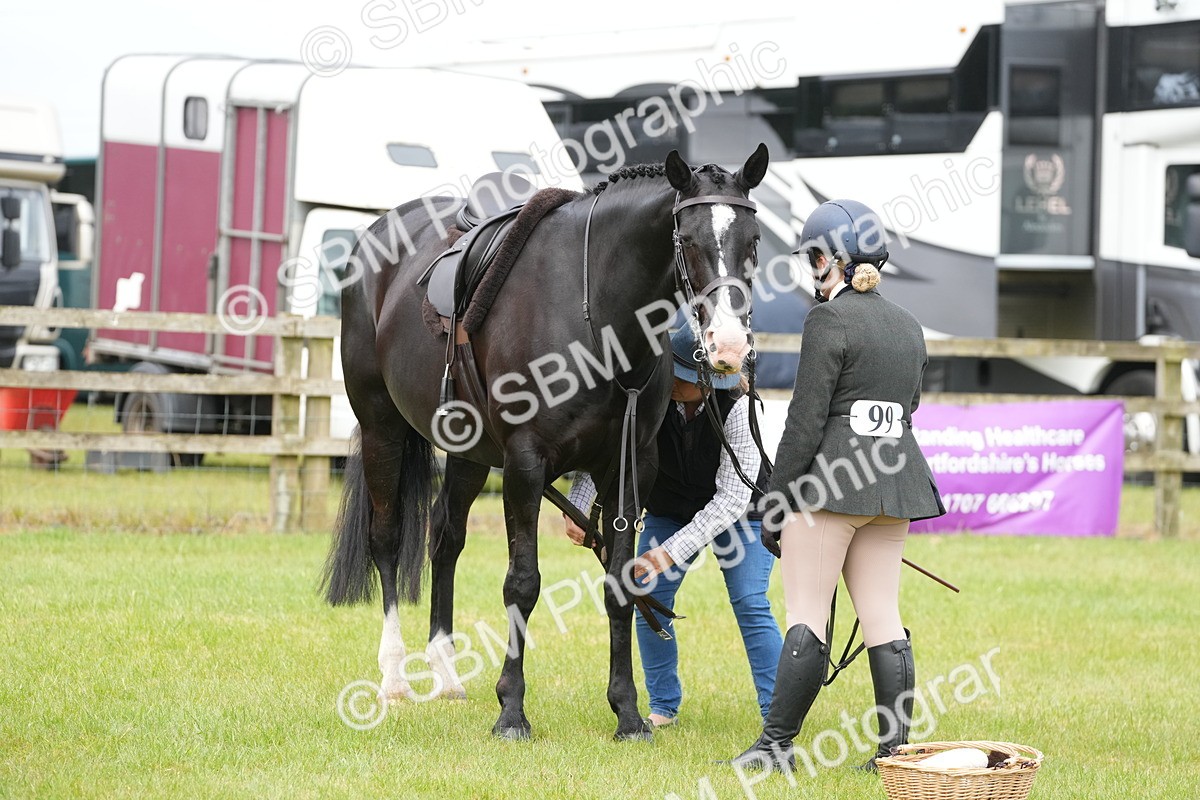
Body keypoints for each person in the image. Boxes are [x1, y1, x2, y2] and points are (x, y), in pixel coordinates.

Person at [730, 199, 946, 772]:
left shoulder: (828, 320)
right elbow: (909, 408)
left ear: (829, 259)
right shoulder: (908, 325)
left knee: (806, 613)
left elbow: (804, 423)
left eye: (812, 259)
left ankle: (776, 746)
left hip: (827, 491)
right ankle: (893, 753)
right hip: (892, 489)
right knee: (882, 615)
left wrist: (775, 502)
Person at [564, 326, 782, 728]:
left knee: (751, 602)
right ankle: (664, 705)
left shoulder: (741, 407)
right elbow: (612, 447)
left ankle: (779, 715)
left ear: (707, 380)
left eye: (679, 374)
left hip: (741, 511)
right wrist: (579, 504)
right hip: (669, 507)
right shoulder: (649, 399)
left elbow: (730, 500)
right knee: (646, 596)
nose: (670, 379)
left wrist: (666, 554)